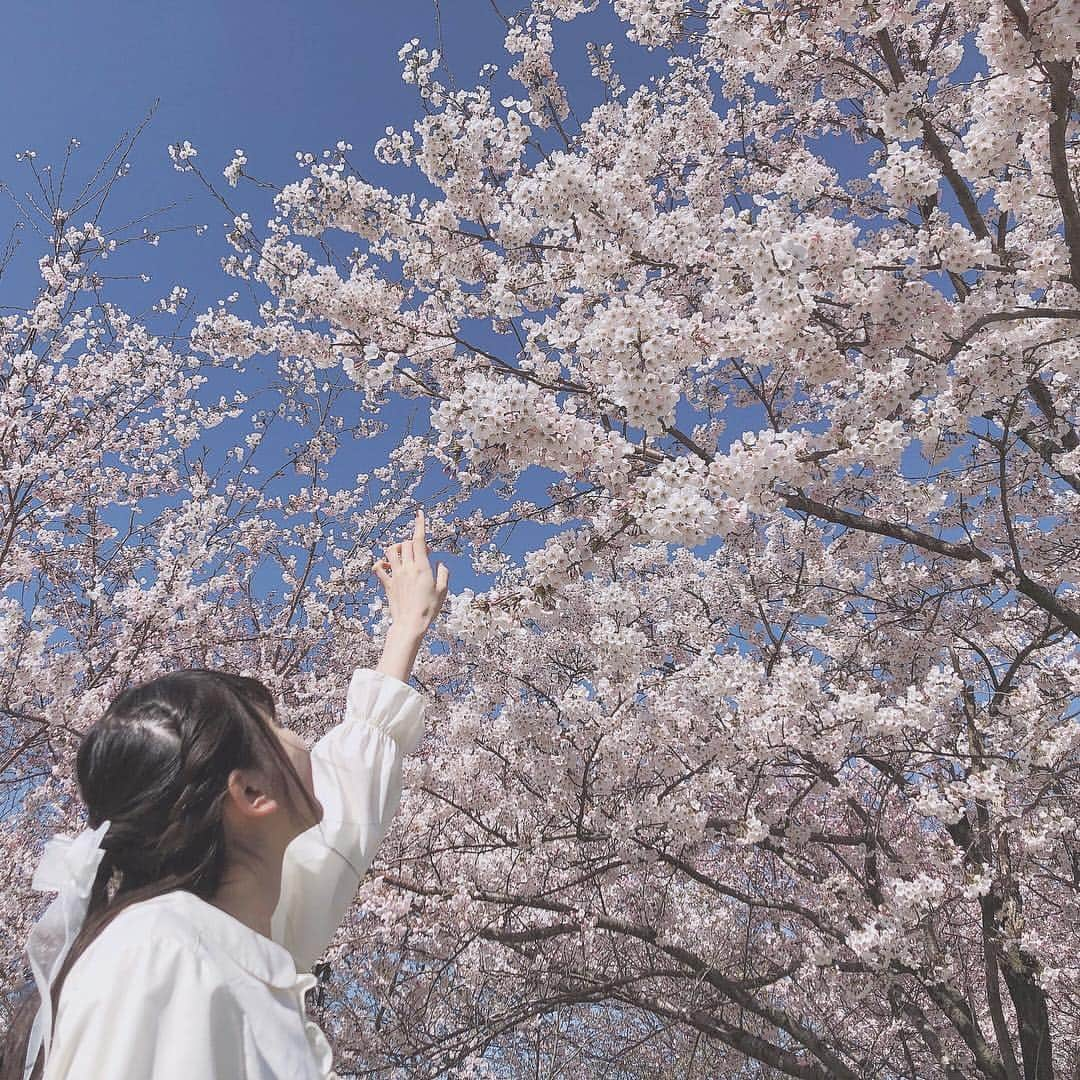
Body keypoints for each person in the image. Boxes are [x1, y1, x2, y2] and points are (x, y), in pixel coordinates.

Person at [0, 509, 449, 1079]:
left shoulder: (240, 941)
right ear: (252, 792)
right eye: (278, 728)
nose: (306, 742)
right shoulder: (163, 958)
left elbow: (345, 818)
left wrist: (406, 629)